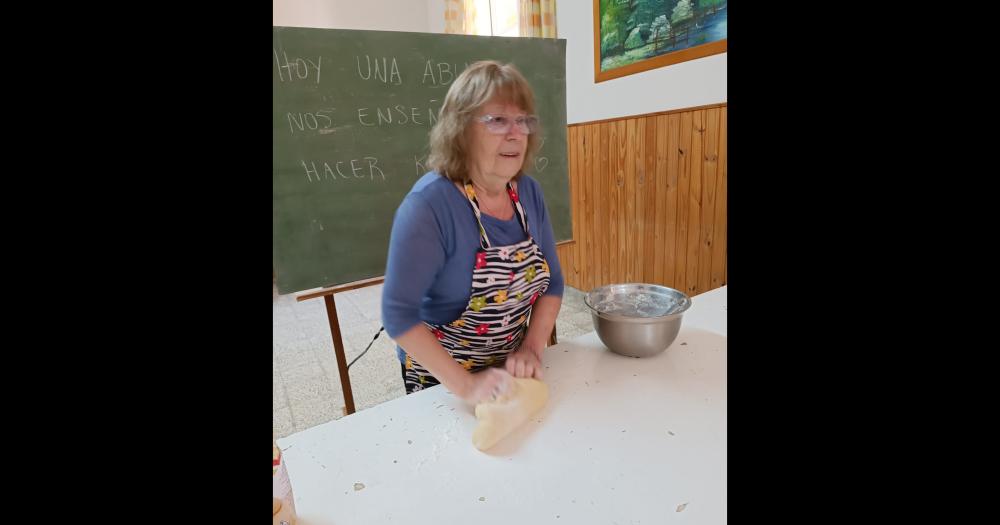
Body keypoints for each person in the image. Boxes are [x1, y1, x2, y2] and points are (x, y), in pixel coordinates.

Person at [381, 60, 564, 404]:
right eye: (497, 120)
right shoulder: (429, 206)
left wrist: (532, 348)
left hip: (509, 371)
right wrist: (466, 386)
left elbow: (552, 283)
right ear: (461, 130)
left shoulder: (529, 194)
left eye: (523, 120)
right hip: (442, 381)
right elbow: (398, 315)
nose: (515, 132)